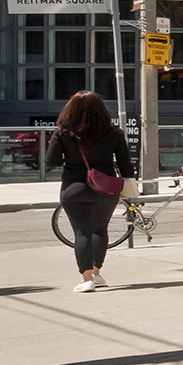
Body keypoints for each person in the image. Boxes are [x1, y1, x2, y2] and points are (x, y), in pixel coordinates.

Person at [56, 91, 133, 292]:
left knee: (82, 232)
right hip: (106, 189)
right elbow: (126, 165)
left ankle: (86, 278)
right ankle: (97, 273)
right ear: (102, 110)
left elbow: (51, 161)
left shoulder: (63, 133)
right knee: (100, 229)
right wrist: (128, 187)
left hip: (74, 188)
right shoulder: (114, 133)